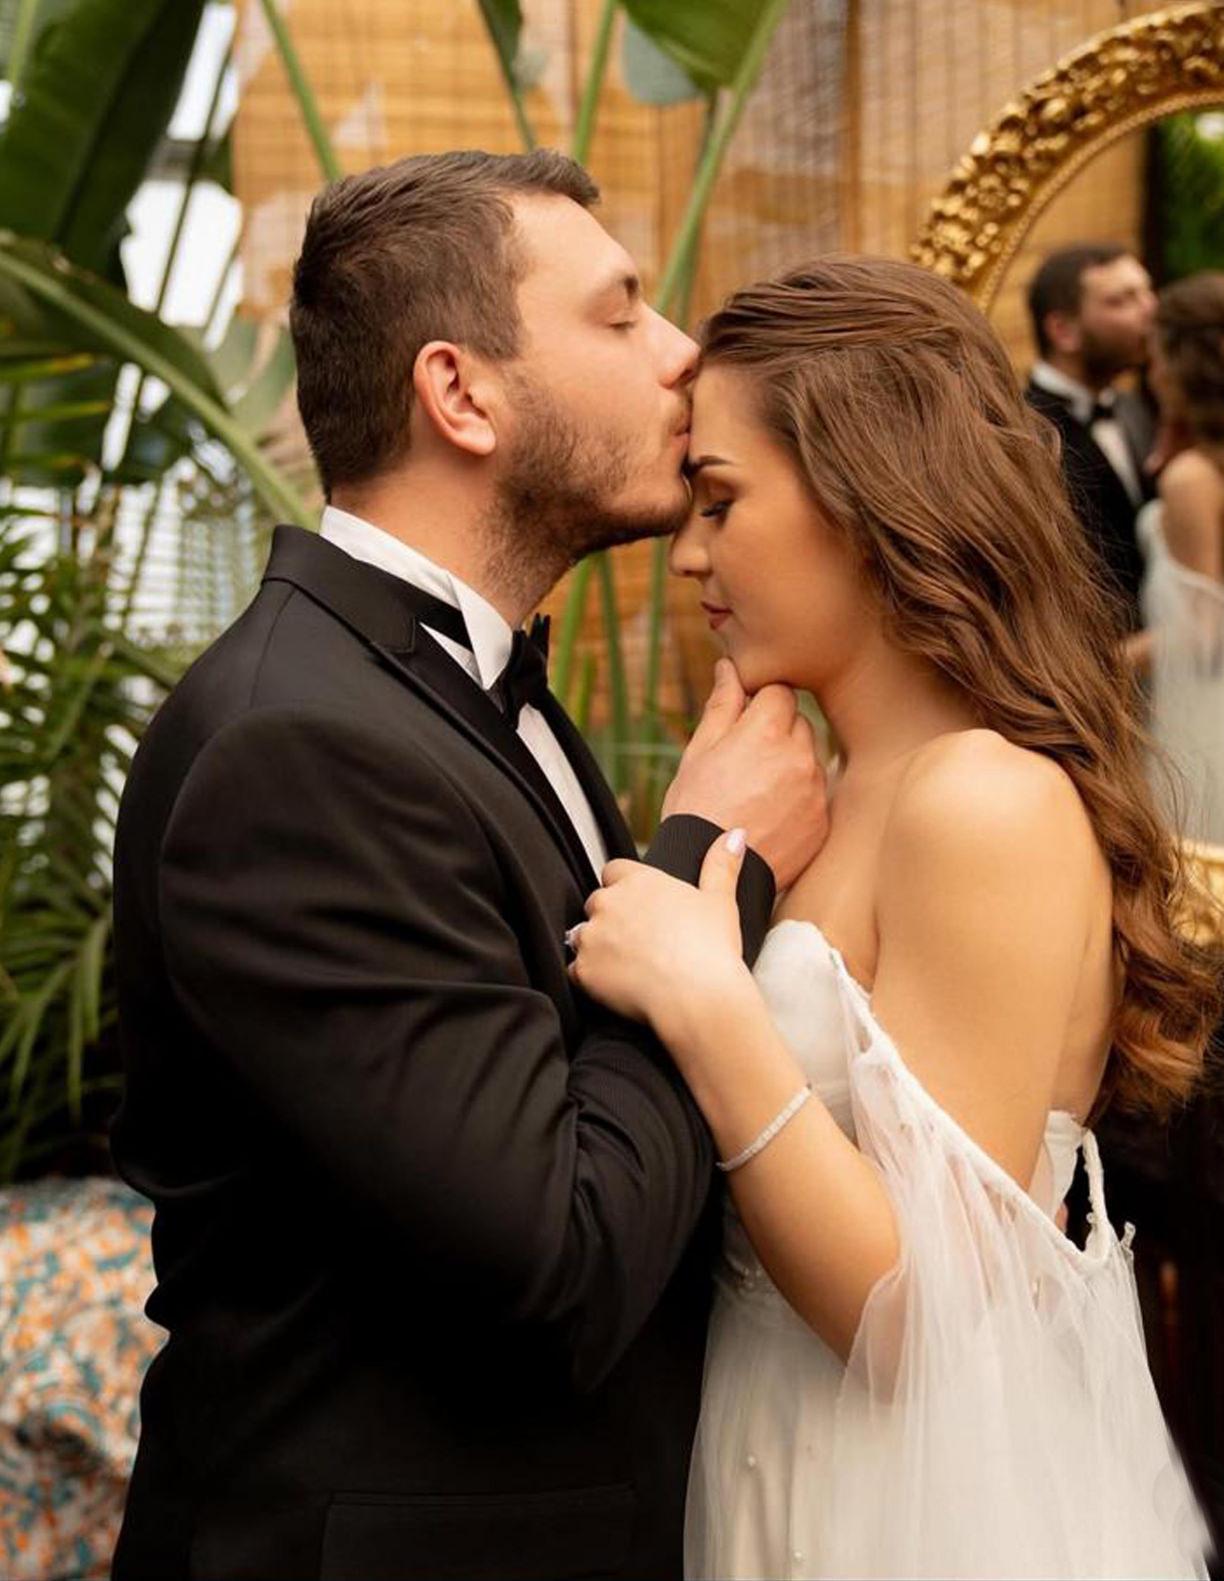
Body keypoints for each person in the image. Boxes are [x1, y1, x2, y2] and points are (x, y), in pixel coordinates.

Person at [108, 150, 829, 1581]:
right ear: (461, 393)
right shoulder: (295, 749)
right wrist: (710, 869)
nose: (680, 354)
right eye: (620, 315)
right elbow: (560, 1261)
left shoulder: (446, 687)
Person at [568, 256, 1220, 1579]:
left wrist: (701, 996)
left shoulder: (984, 802)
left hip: (904, 1510)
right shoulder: (836, 788)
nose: (687, 554)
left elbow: (923, 1318)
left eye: (720, 500)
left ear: (867, 497)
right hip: (766, 1453)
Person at [1135, 271, 1224, 848]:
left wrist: (1103, 665)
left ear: (1180, 365)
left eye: (1154, 357)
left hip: (1221, 710)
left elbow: (1205, 635)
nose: (1150, 374)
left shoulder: (1193, 480)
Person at [1025, 244, 1158, 629]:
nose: (1151, 309)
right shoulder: (1022, 431)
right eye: (1122, 300)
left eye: (1146, 292)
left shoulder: (1135, 407)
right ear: (1063, 331)